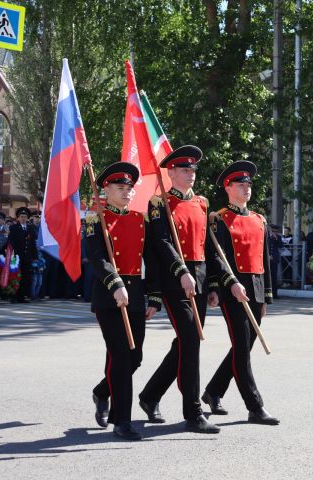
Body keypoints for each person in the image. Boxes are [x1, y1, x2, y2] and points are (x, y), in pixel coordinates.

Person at [139, 146, 229, 434]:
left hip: (199, 277)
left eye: (193, 170)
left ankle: (150, 395)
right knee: (191, 341)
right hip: (175, 279)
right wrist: (181, 273)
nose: (191, 174)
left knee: (186, 344)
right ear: (172, 173)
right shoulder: (159, 203)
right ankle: (193, 412)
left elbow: (207, 247)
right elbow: (161, 244)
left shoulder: (201, 203)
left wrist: (213, 283)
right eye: (184, 170)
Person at [86, 163, 161, 441]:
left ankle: (102, 392)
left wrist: (154, 295)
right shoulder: (96, 219)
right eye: (121, 188)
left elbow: (151, 259)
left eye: (130, 188)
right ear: (105, 189)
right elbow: (97, 257)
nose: (127, 192)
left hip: (135, 293)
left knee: (135, 357)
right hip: (109, 295)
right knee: (119, 357)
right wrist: (115, 283)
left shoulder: (140, 219)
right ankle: (122, 420)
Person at [204, 159, 280, 426]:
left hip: (255, 290)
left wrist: (267, 295)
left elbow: (264, 259)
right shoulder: (219, 219)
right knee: (242, 349)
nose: (246, 187)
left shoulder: (259, 219)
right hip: (232, 289)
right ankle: (254, 406)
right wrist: (224, 284)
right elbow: (215, 257)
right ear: (228, 187)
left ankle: (213, 390)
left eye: (248, 183)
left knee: (242, 347)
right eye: (240, 183)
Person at [8, 207, 37, 303]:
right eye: (21, 217)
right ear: (18, 218)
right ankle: (14, 296)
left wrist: (34, 256)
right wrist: (13, 255)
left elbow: (32, 243)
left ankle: (22, 296)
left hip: (27, 257)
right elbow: (11, 242)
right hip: (16, 257)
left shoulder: (30, 228)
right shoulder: (14, 228)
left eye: (25, 217)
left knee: (25, 277)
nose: (23, 218)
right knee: (15, 277)